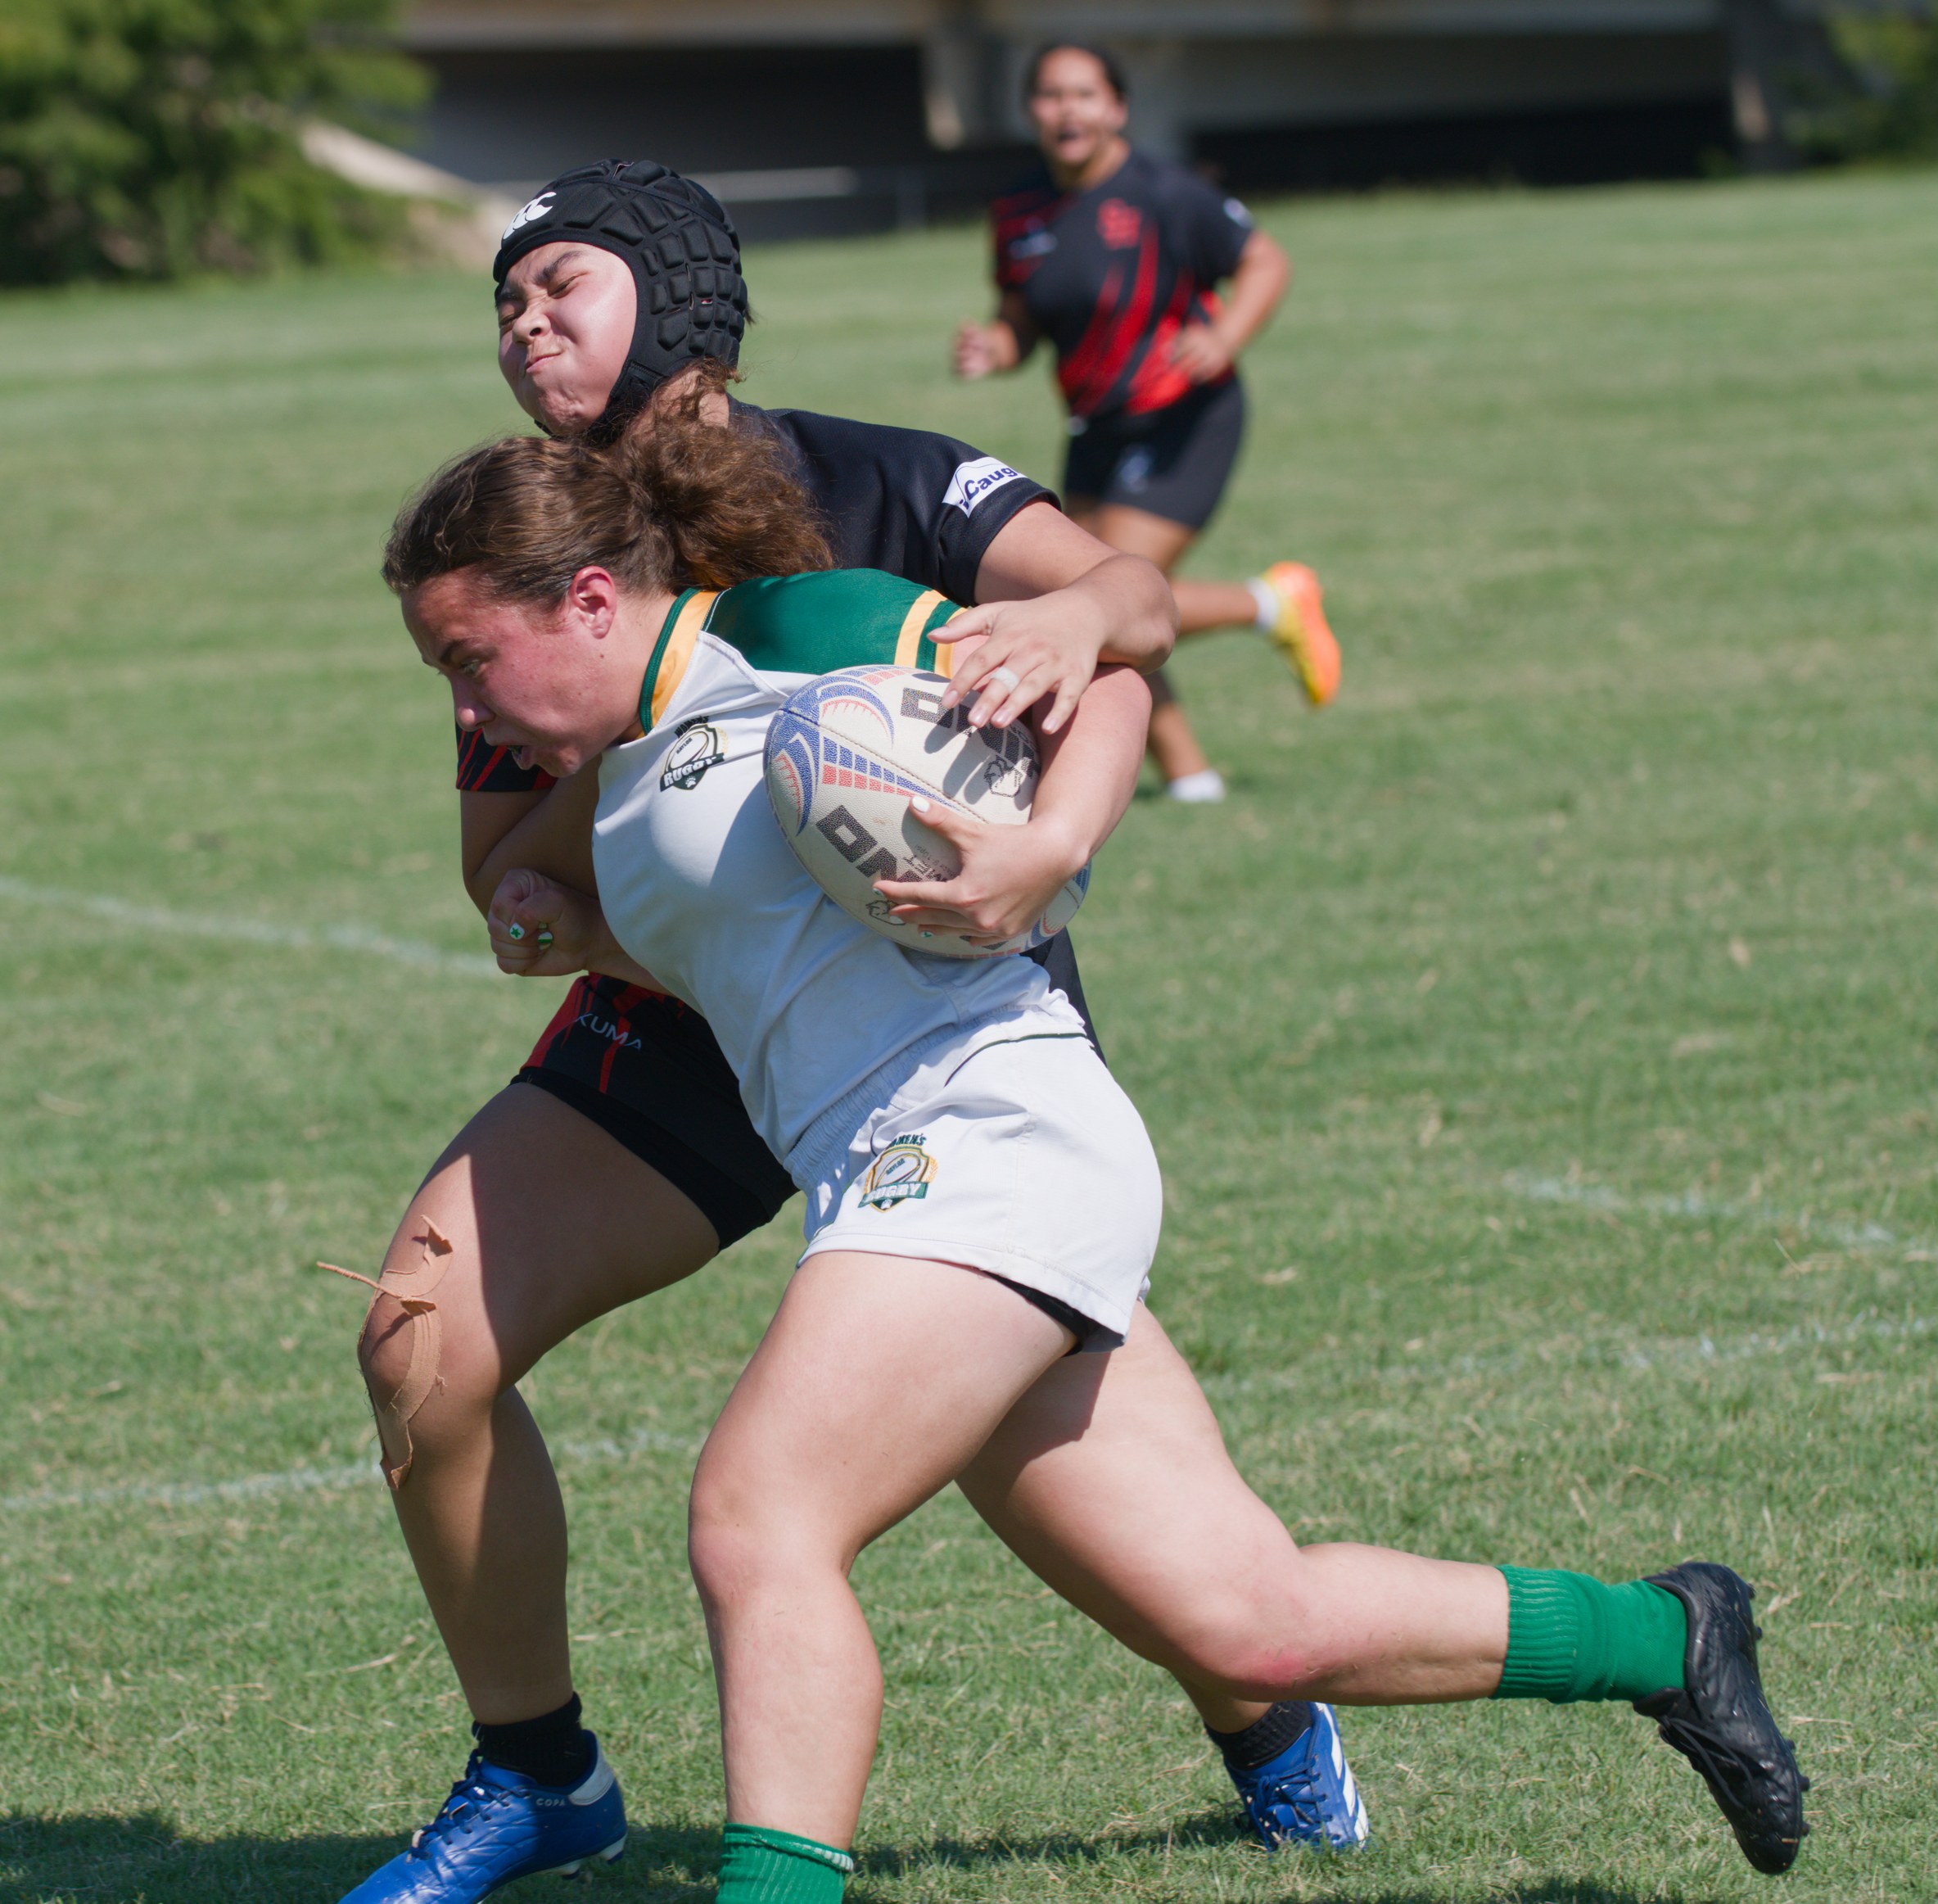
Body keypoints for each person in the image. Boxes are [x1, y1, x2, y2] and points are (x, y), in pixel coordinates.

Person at [370, 424, 1808, 1904]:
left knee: (761, 1519)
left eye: (472, 660)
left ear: (589, 600)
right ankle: (1671, 1634)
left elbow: (1110, 670)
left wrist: (1048, 844)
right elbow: (732, 947)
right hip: (893, 1179)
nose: (467, 708)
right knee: (1248, 1621)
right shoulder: (615, 788)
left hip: (993, 1133)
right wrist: (563, 927)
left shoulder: (798, 628)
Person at [339, 160, 1364, 1904]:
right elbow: (508, 864)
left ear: (676, 298)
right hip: (684, 1017)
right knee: (419, 1342)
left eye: (560, 285)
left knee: (1072, 1492)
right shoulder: (527, 561)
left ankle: (1265, 1714)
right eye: (502, 301)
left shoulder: (879, 477)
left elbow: (1119, 603)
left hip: (922, 1007)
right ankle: (538, 1771)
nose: (522, 324)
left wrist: (1059, 639)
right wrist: (575, 860)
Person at [954, 40, 1340, 804]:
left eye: (1084, 94)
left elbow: (1266, 261)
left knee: (1099, 601)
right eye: (1051, 95)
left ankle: (1273, 602)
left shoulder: (1168, 193)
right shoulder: (1019, 211)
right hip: (1093, 431)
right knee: (1081, 597)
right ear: (1030, 110)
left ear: (1117, 108)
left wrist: (1224, 336)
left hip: (1182, 419)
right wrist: (996, 347)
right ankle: (1192, 781)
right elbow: (1022, 321)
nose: (1067, 110)